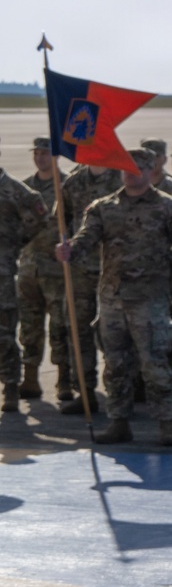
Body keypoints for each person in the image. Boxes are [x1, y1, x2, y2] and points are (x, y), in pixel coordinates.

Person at [55, 146, 172, 445]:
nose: (131, 174)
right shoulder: (103, 207)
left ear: (149, 171)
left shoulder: (170, 208)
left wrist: (168, 271)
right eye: (127, 168)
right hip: (113, 300)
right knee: (116, 365)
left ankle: (167, 425)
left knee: (154, 364)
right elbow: (86, 238)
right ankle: (118, 421)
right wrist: (70, 250)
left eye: (137, 169)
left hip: (149, 301)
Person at [59, 161, 122, 413]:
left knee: (114, 334)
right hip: (80, 271)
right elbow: (62, 219)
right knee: (78, 330)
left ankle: (120, 392)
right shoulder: (73, 182)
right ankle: (84, 392)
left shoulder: (122, 180)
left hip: (113, 271)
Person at [16, 136, 70, 402]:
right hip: (28, 270)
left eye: (44, 152)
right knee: (29, 325)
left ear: (55, 156)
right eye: (36, 152)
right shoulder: (24, 189)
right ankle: (30, 377)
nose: (39, 157)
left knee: (61, 326)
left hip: (58, 271)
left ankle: (64, 379)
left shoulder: (68, 187)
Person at [0, 144, 47, 414]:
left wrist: (18, 242)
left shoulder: (15, 190)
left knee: (4, 334)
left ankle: (10, 386)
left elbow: (42, 216)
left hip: (3, 274)